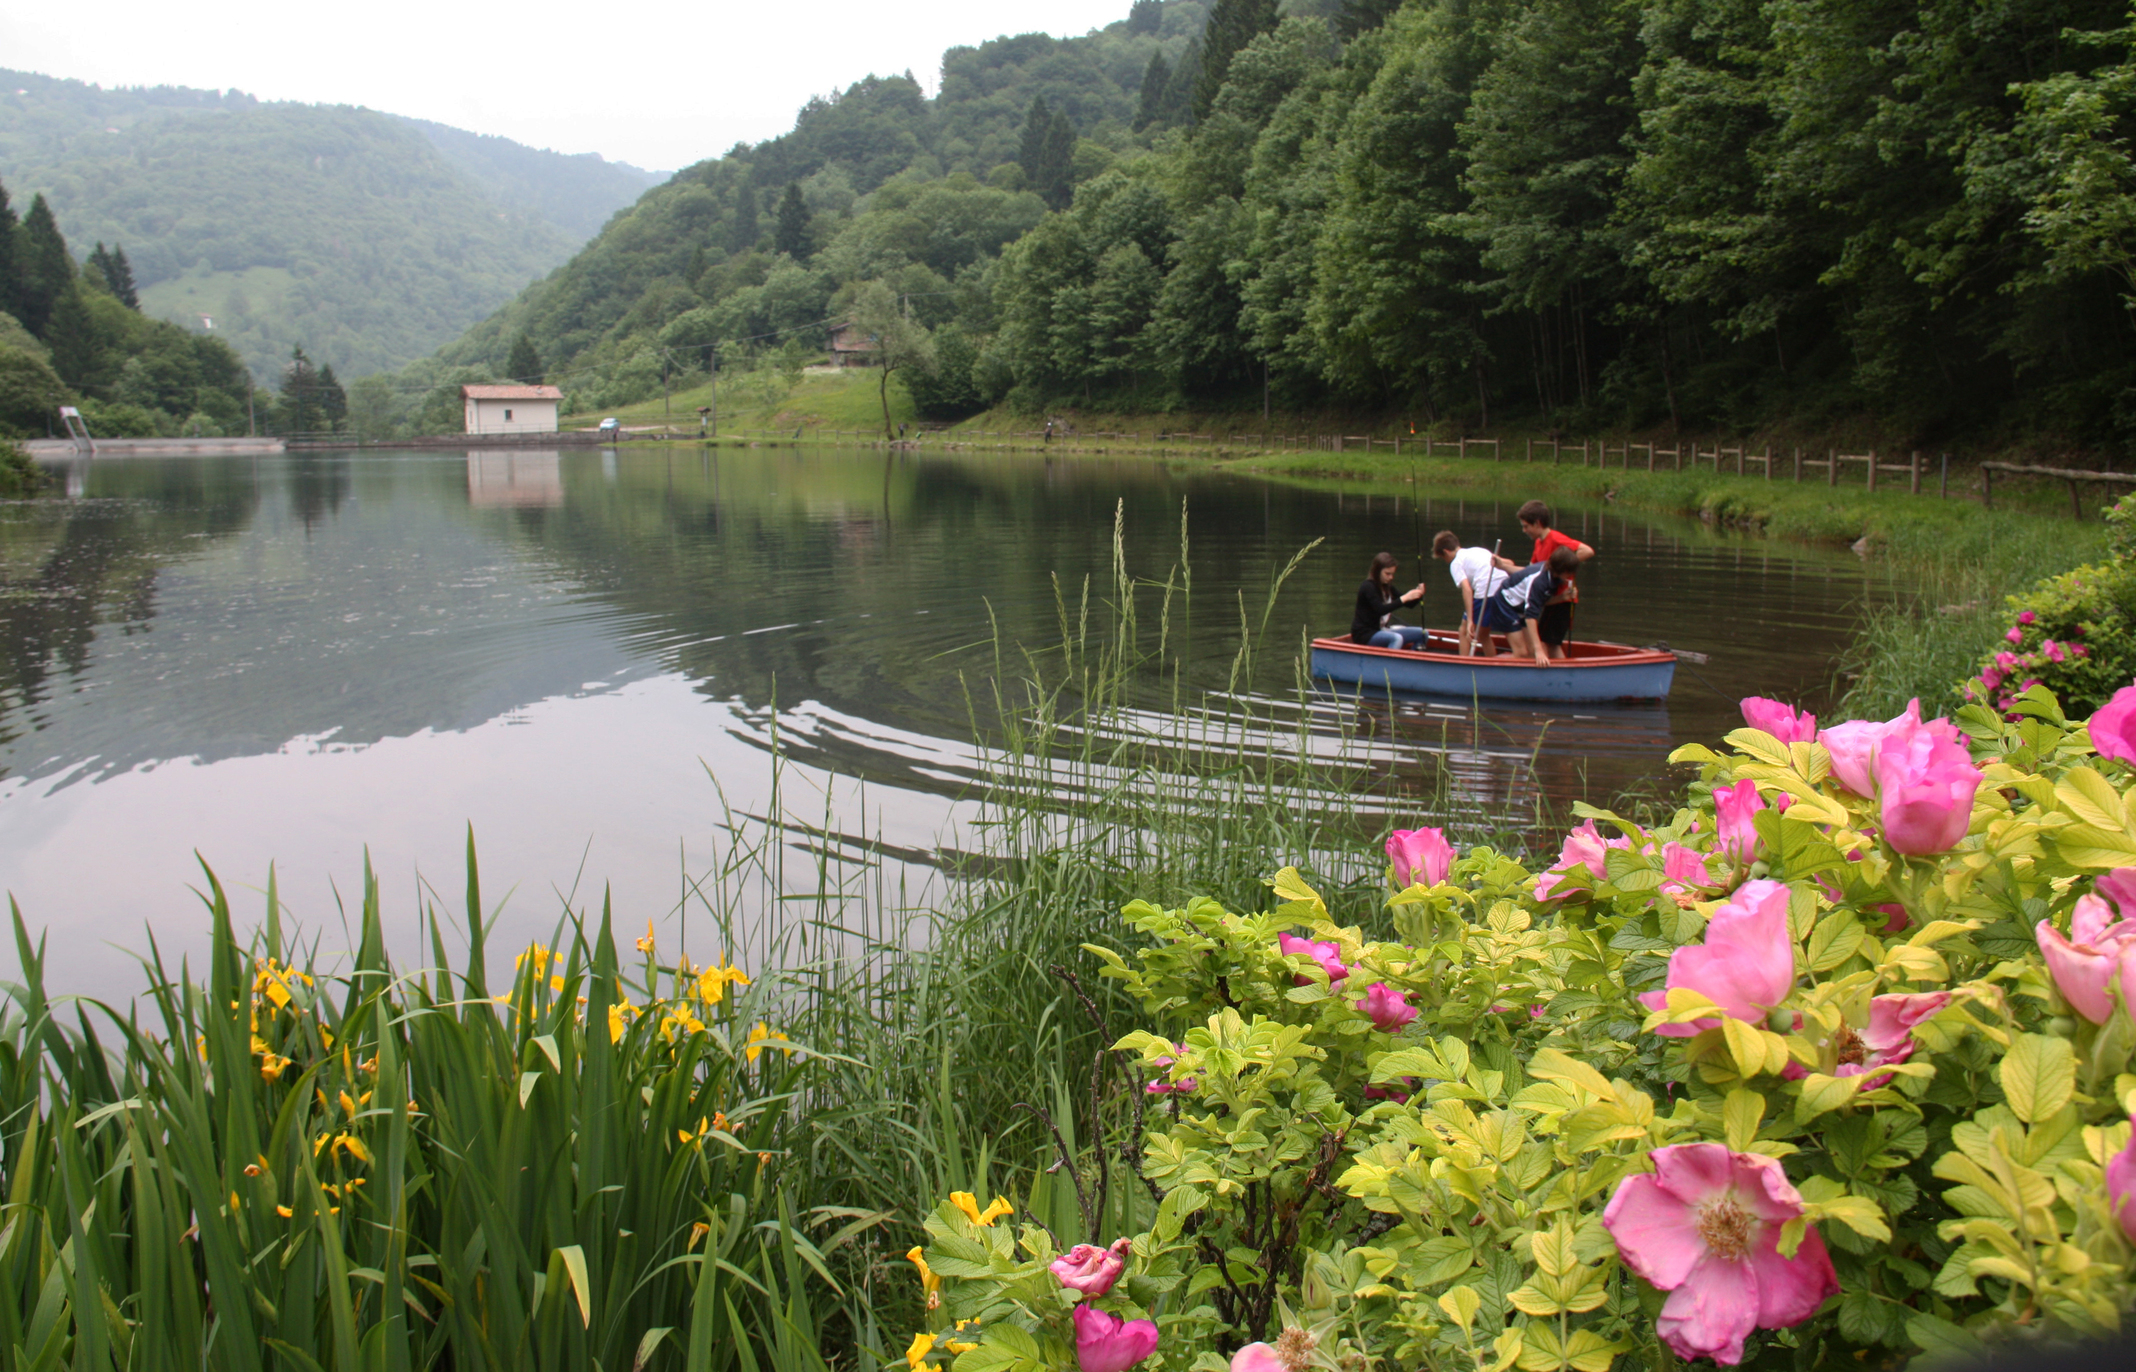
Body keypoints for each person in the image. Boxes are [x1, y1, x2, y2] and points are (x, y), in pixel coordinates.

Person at [1493, 500, 1595, 659]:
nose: (1524, 530)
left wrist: (1561, 567)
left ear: (1538, 523)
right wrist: (1503, 566)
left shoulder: (1555, 538)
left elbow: (1587, 551)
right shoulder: (1538, 543)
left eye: (1526, 526)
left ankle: (1560, 672)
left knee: (1549, 643)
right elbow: (1529, 573)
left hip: (1561, 598)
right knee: (1543, 642)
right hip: (1544, 596)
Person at [1478, 545, 1581, 664]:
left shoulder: (1553, 575)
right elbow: (1530, 617)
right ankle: (1487, 669)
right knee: (1522, 653)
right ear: (1563, 570)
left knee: (1532, 653)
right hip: (1505, 605)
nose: (1571, 575)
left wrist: (1562, 597)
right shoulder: (1539, 582)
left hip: (1521, 607)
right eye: (1570, 572)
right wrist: (1539, 650)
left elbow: (1542, 602)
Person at [1432, 530, 1506, 657]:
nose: (1446, 561)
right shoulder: (1477, 550)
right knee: (1483, 633)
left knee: (1464, 630)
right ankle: (1492, 661)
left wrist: (1470, 620)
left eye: (1443, 558)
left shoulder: (1456, 563)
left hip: (1486, 590)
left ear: (1446, 552)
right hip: (1504, 587)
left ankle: (1463, 662)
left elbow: (1467, 589)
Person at [1350, 551, 1427, 650]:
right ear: (1377, 571)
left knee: (1423, 633)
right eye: (1387, 574)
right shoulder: (1368, 586)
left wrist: (1418, 595)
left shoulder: (1388, 587)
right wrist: (1405, 598)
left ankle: (1413, 658)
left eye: (1392, 574)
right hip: (1365, 634)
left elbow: (1409, 605)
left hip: (1382, 630)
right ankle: (1389, 660)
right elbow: (1381, 609)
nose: (1391, 577)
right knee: (1396, 638)